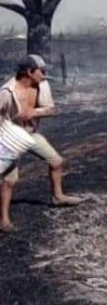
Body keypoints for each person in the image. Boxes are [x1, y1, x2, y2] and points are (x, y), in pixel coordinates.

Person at [0, 55, 83, 233]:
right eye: (41, 71)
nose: (44, 74)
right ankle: (4, 220)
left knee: (56, 161)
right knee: (9, 180)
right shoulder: (6, 93)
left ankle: (58, 197)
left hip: (31, 134)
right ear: (29, 72)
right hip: (10, 139)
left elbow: (51, 109)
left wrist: (34, 112)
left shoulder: (43, 85)